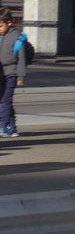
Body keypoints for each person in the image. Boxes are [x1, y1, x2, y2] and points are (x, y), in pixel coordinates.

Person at [0, 8, 27, 137]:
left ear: (9, 23)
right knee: (5, 101)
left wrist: (21, 77)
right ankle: (12, 126)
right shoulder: (1, 36)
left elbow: (21, 60)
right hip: (1, 74)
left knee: (5, 100)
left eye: (0, 26)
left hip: (11, 73)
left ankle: (3, 127)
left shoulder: (17, 38)